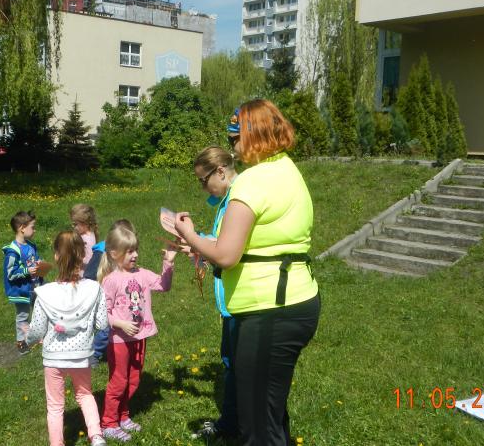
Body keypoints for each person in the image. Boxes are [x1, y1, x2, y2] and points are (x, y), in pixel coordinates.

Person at [174, 99, 321, 446]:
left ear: (254, 135)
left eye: (235, 137)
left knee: (257, 428)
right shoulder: (287, 169)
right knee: (270, 414)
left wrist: (189, 234)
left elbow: (226, 254)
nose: (233, 147)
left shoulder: (253, 181)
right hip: (296, 300)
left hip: (268, 310)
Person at [23, 231, 109, 446]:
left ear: (55, 257)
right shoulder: (95, 288)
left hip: (54, 358)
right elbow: (102, 324)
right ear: (83, 256)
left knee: (55, 405)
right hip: (82, 355)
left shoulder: (44, 293)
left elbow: (37, 330)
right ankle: (96, 436)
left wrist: (27, 338)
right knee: (85, 394)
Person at [98, 225, 176, 442]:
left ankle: (123, 416)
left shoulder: (142, 274)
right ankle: (109, 423)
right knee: (118, 381)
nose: (135, 255)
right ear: (114, 253)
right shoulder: (111, 280)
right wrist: (121, 324)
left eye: (136, 250)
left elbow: (164, 285)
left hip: (139, 338)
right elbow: (102, 313)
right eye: (129, 251)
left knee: (133, 379)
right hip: (119, 340)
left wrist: (169, 262)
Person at [188, 146, 240, 440]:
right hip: (231, 300)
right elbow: (222, 242)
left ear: (220, 172)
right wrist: (199, 244)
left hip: (241, 301)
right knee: (230, 362)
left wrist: (194, 239)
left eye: (203, 180)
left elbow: (228, 252)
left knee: (238, 367)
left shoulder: (237, 201)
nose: (203, 187)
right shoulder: (226, 202)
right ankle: (232, 423)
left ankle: (236, 425)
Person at [84, 219, 135, 367]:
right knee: (107, 327)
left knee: (118, 324)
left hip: (118, 295)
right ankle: (94, 354)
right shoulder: (101, 252)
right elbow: (89, 275)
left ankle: (115, 349)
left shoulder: (121, 253)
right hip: (102, 296)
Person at [2, 210, 43, 355]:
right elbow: (10, 273)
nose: (34, 230)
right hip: (22, 290)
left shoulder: (31, 246)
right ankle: (21, 342)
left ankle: (37, 337)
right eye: (32, 227)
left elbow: (34, 260)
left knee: (39, 312)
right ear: (22, 228)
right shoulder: (13, 251)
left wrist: (40, 264)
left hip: (35, 286)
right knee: (23, 315)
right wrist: (26, 271)